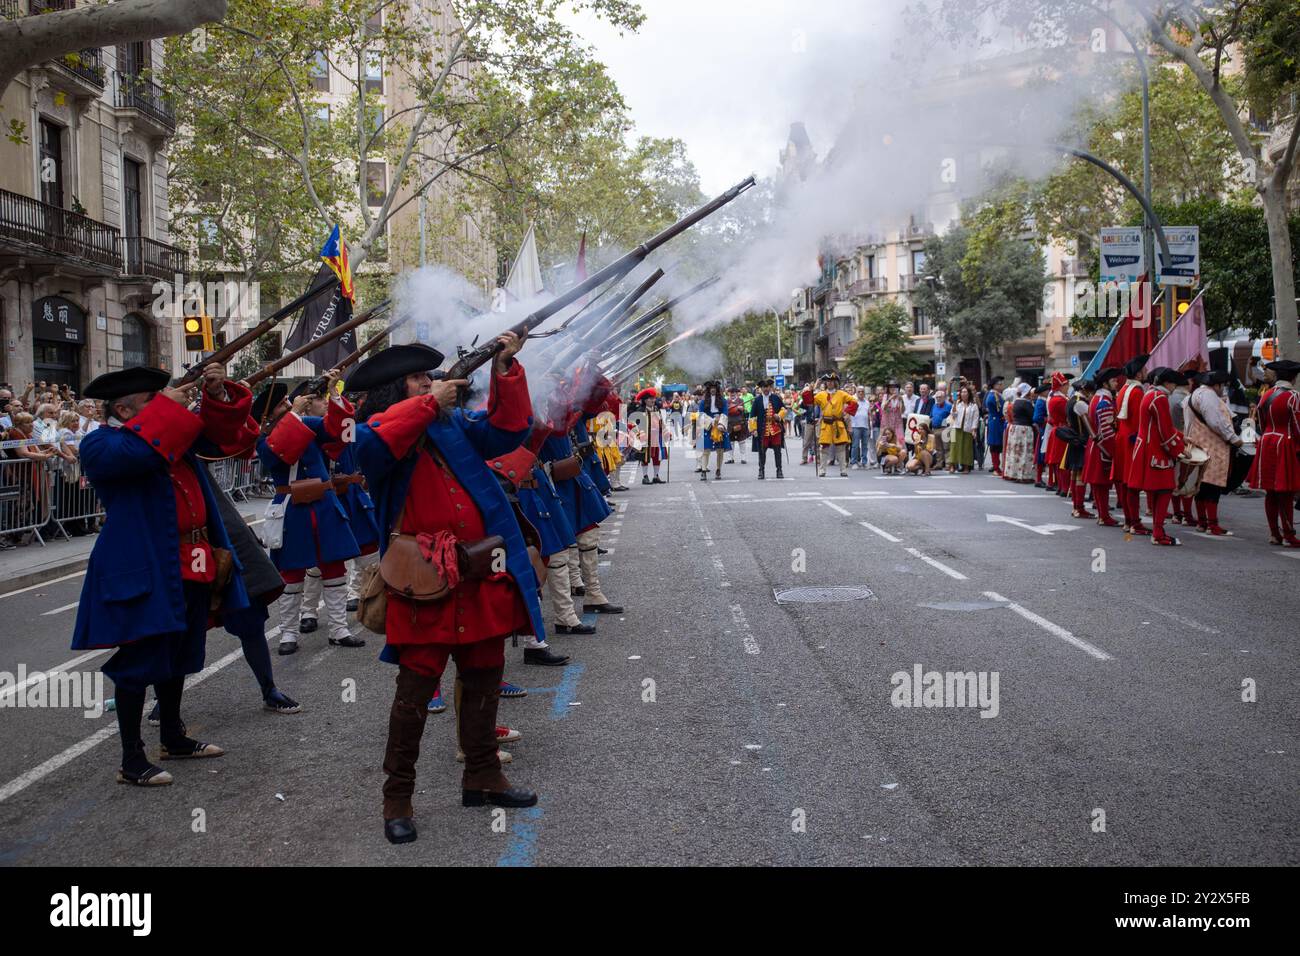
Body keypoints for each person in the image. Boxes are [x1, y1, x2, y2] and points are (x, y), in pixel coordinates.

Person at [350, 335, 542, 846]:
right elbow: (374, 446)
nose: (430, 385)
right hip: (422, 582)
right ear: (394, 391)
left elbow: (506, 431)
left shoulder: (448, 424)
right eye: (417, 381)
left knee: (485, 674)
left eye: (428, 380)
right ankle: (398, 798)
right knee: (413, 695)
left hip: (476, 572)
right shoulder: (377, 431)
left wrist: (505, 368)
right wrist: (427, 404)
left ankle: (481, 774)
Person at [75, 362, 253, 787]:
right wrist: (167, 409)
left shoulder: (165, 434)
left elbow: (228, 439)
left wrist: (217, 394)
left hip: (189, 559)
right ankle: (131, 759)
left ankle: (173, 735)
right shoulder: (101, 444)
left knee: (179, 651)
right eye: (150, 401)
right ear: (122, 410)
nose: (163, 406)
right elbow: (139, 452)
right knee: (141, 659)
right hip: (144, 562)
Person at [256, 374, 363, 656]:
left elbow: (340, 430)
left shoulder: (308, 424)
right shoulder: (264, 440)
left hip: (324, 506)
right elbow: (280, 454)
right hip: (292, 511)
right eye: (281, 404)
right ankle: (288, 633)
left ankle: (339, 629)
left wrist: (334, 396)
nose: (288, 404)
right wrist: (293, 414)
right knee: (291, 576)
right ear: (267, 417)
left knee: (334, 570)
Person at [1130, 367, 1188, 546]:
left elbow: (1161, 427)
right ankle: (1157, 532)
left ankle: (1156, 529)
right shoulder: (1160, 398)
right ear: (1167, 383)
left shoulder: (1150, 394)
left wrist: (1182, 437)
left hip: (1146, 447)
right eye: (1173, 384)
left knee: (1154, 491)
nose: (1173, 388)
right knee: (1164, 490)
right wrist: (1179, 449)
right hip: (1155, 450)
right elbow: (1164, 430)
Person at [1247, 359, 1300, 546]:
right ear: (1293, 378)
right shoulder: (1293, 396)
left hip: (1267, 441)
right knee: (1285, 492)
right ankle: (1288, 534)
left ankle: (1274, 533)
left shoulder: (1266, 395)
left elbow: (1261, 421)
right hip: (1285, 443)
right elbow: (1297, 426)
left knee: (1271, 491)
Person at [1186, 370, 1243, 536]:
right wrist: (1233, 438)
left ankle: (1202, 522)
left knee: (1201, 486)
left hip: (1198, 443)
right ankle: (1212, 524)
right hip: (1213, 447)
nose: (1223, 389)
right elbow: (1217, 422)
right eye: (1222, 386)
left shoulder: (1195, 394)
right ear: (1216, 385)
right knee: (1212, 486)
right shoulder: (1209, 396)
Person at [1112, 355, 1150, 534]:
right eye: (1144, 369)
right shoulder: (1137, 392)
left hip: (1122, 438)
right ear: (1139, 373)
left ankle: (1129, 520)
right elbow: (1139, 422)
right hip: (1132, 440)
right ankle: (1134, 522)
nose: (1147, 372)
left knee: (1127, 484)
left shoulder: (1124, 389)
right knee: (1132, 485)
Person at [1083, 368, 1123, 527]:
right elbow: (1107, 433)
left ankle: (1102, 514)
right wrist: (1113, 452)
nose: (1116, 383)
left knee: (1099, 485)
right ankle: (1104, 516)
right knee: (1103, 485)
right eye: (1113, 381)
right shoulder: (1104, 402)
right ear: (1105, 384)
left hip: (1095, 446)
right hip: (1102, 448)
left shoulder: (1096, 399)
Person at [807, 371, 857, 477]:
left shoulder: (842, 394)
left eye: (832, 381)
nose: (830, 383)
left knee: (841, 447)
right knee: (824, 447)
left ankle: (843, 470)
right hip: (826, 424)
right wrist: (812, 389)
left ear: (835, 383)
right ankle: (822, 470)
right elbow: (809, 401)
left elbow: (854, 402)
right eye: (828, 381)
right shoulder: (821, 394)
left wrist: (846, 411)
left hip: (838, 424)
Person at [1002, 383, 1037, 483]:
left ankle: (1015, 473)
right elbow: (1032, 417)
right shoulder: (1026, 403)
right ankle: (1024, 475)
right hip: (1024, 428)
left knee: (1015, 452)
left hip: (1015, 428)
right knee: (1024, 452)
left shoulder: (1016, 401)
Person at [753, 379, 786, 479]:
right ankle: (761, 470)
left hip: (775, 429)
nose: (766, 389)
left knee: (777, 451)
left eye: (767, 387)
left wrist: (779, 416)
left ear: (770, 387)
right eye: (764, 387)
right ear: (761, 388)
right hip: (762, 430)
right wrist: (753, 429)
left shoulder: (776, 398)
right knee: (762, 451)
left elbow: (783, 409)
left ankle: (779, 470)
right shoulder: (757, 400)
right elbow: (752, 416)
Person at [697, 381, 729, 480]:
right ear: (708, 389)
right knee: (705, 450)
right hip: (708, 427)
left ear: (717, 389)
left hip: (720, 426)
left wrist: (720, 422)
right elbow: (701, 414)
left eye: (715, 388)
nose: (713, 389)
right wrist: (711, 421)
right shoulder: (703, 402)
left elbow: (725, 412)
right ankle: (703, 470)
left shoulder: (723, 401)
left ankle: (718, 470)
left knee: (720, 450)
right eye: (711, 388)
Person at [947, 385, 978, 473]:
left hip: (967, 429)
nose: (964, 394)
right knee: (954, 447)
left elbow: (975, 418)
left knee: (966, 448)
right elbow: (953, 415)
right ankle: (952, 466)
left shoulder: (973, 405)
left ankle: (966, 467)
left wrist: (974, 429)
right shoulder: (957, 403)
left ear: (969, 394)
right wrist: (954, 404)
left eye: (965, 392)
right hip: (955, 427)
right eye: (962, 392)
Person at [983, 377, 1006, 476]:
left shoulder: (995, 395)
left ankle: (997, 466)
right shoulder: (993, 396)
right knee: (995, 445)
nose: (1001, 386)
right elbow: (1000, 410)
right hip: (996, 422)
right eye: (999, 384)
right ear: (995, 386)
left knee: (998, 444)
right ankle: (996, 467)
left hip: (997, 421)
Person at [929, 387, 952, 468]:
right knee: (938, 449)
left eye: (940, 397)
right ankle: (939, 463)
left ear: (944, 397)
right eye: (937, 397)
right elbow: (931, 416)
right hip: (935, 429)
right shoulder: (934, 406)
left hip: (945, 429)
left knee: (947, 448)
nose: (938, 398)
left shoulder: (949, 406)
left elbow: (952, 417)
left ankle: (948, 464)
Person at [849, 386, 872, 468]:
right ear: (856, 392)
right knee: (855, 445)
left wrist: (869, 428)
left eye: (862, 391)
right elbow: (849, 414)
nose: (861, 393)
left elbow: (869, 416)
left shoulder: (867, 402)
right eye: (859, 391)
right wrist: (850, 427)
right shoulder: (853, 401)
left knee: (865, 445)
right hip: (855, 426)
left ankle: (864, 462)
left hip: (865, 426)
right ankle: (854, 462)